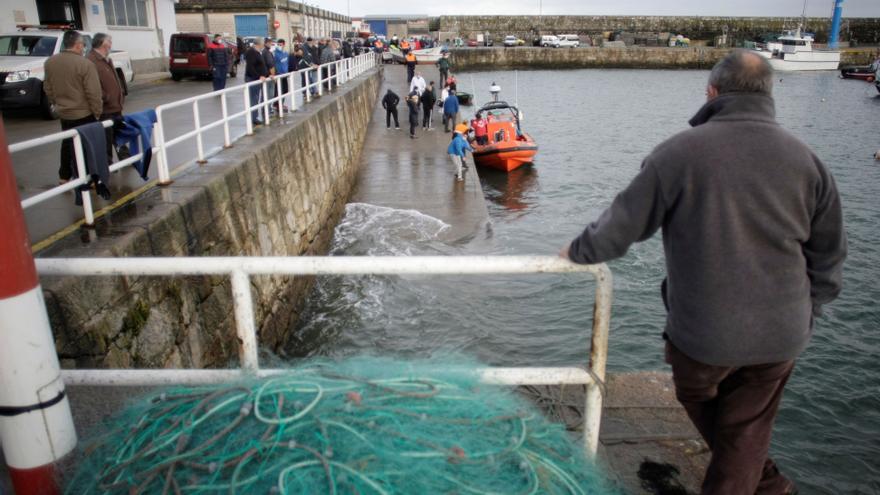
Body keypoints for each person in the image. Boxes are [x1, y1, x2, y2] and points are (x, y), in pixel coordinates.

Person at [560, 50, 847, 495]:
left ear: (712, 92)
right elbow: (829, 255)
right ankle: (769, 484)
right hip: (782, 332)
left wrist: (577, 251)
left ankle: (762, 484)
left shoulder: (677, 154)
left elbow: (620, 229)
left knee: (706, 405)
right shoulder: (808, 161)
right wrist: (810, 311)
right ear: (769, 93)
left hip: (703, 335)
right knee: (745, 430)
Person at [44, 30, 102, 183]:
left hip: (64, 112)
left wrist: (57, 103)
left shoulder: (50, 62)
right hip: (84, 113)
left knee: (67, 143)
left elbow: (48, 88)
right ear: (77, 45)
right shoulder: (85, 64)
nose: (84, 48)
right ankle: (89, 178)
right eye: (83, 45)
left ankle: (64, 175)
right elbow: (93, 92)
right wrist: (97, 112)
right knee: (87, 146)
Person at [86, 33, 126, 164]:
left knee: (119, 134)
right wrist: (106, 97)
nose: (111, 44)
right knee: (106, 137)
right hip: (105, 108)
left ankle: (126, 158)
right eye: (109, 41)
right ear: (103, 43)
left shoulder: (107, 59)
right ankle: (107, 164)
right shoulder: (91, 60)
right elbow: (92, 85)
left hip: (115, 106)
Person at [244, 37, 269, 125]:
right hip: (252, 78)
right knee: (253, 98)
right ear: (259, 44)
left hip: (257, 78)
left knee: (256, 98)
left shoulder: (258, 52)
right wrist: (259, 76)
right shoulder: (251, 52)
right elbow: (250, 67)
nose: (263, 45)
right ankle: (253, 118)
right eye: (262, 43)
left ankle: (254, 117)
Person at [273, 39, 290, 111]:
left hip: (285, 75)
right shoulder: (275, 54)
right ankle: (278, 105)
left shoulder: (286, 53)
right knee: (279, 90)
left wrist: (288, 72)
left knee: (285, 90)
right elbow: (273, 64)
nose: (279, 46)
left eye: (281, 45)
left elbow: (286, 64)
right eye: (278, 44)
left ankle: (279, 103)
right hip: (279, 75)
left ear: (284, 45)